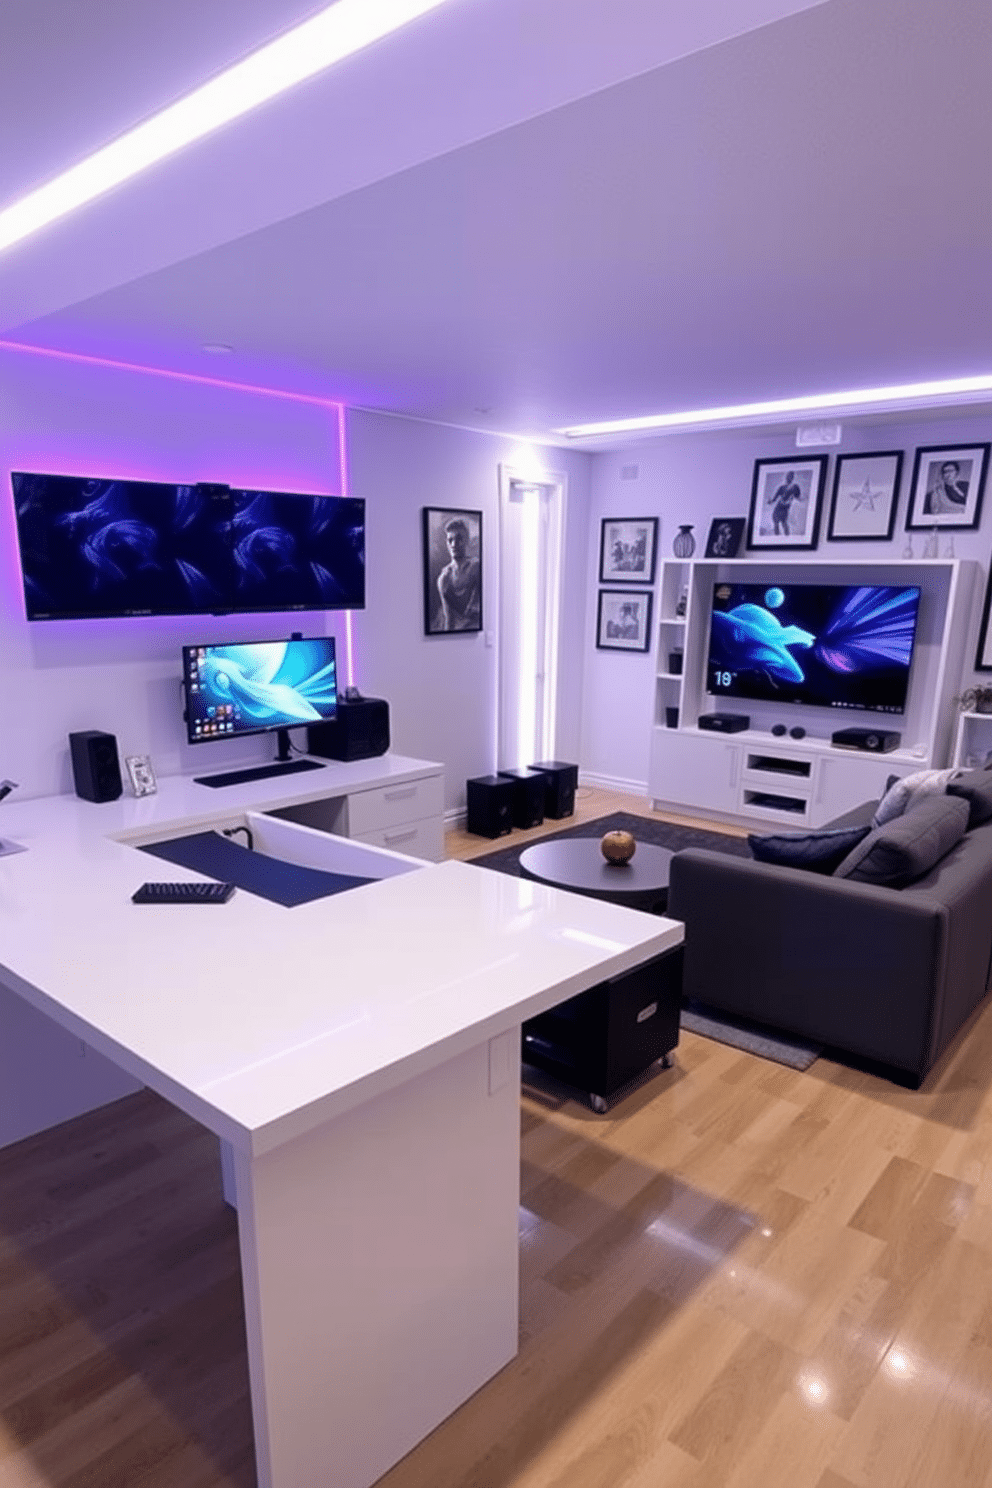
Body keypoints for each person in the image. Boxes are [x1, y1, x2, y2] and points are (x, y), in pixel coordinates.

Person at [436, 517, 481, 630]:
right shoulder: (444, 578)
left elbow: (477, 610)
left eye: (459, 538)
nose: (454, 544)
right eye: (450, 540)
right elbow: (449, 620)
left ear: (466, 540)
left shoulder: (476, 567)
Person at [769, 471, 802, 535]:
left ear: (792, 478)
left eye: (790, 476)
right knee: (777, 523)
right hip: (779, 507)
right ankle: (777, 540)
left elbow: (798, 497)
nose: (788, 478)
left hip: (785, 508)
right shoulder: (782, 487)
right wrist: (771, 501)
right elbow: (775, 498)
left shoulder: (795, 487)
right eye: (787, 476)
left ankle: (786, 539)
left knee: (784, 524)